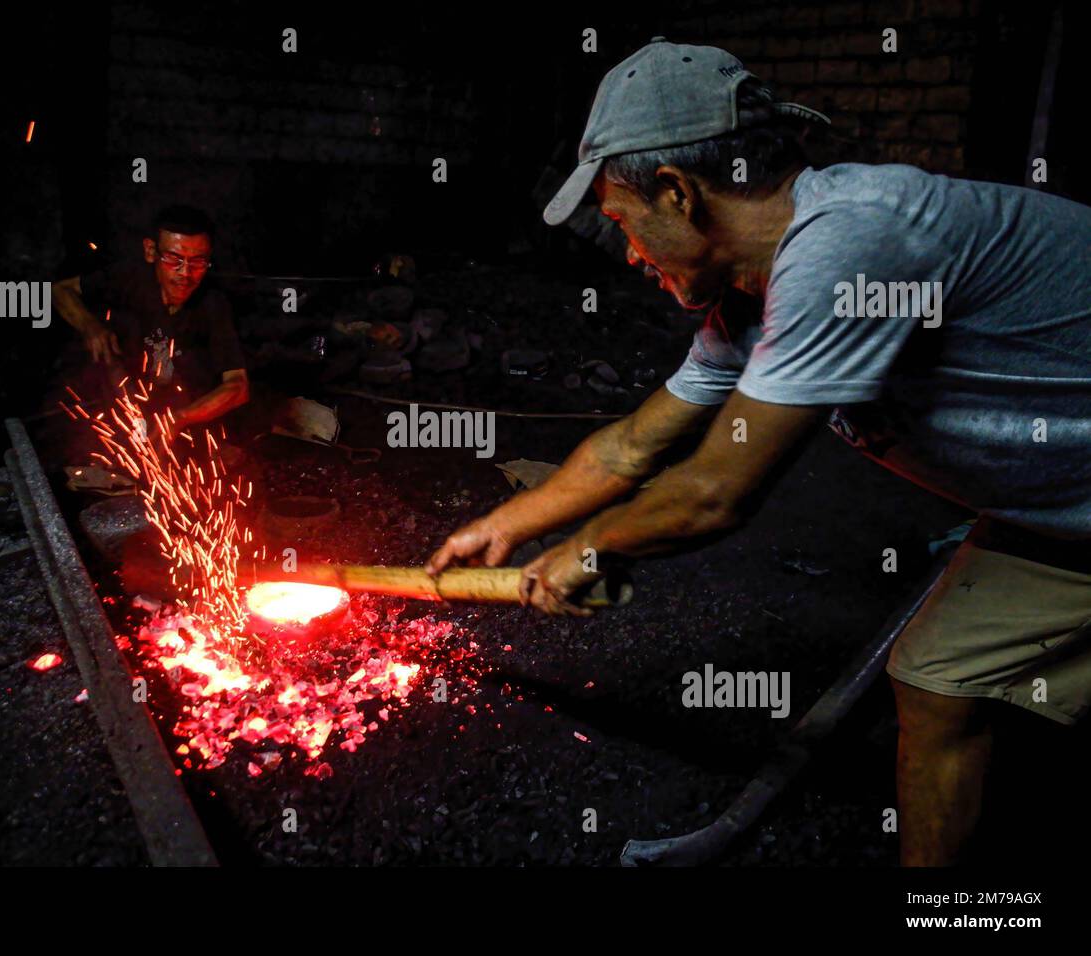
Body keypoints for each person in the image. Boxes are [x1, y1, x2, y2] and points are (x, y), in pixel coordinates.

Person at [426, 38, 1090, 865]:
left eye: (626, 223)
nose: (629, 254)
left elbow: (715, 493)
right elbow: (640, 441)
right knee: (938, 678)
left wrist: (590, 549)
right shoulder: (755, 296)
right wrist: (510, 523)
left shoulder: (851, 244)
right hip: (1057, 506)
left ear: (677, 193)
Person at [54, 204, 249, 425]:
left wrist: (179, 419)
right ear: (150, 251)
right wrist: (90, 326)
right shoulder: (130, 278)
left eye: (198, 261)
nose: (185, 273)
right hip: (121, 405)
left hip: (186, 413)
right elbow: (60, 290)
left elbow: (237, 387)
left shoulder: (213, 304)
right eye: (173, 259)